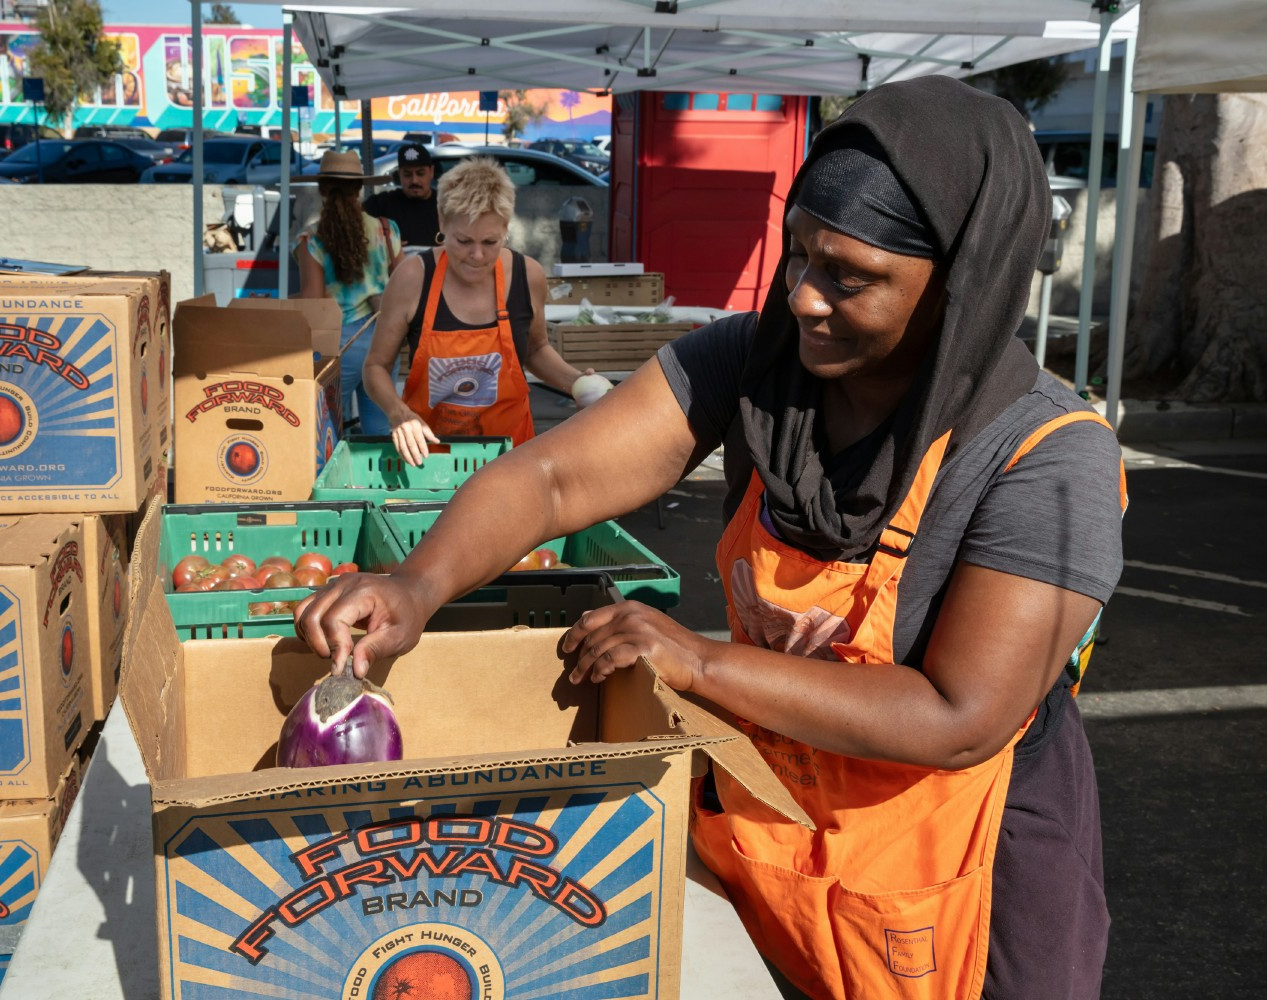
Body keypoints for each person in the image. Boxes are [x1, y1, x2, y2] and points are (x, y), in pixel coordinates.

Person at [298, 76, 1126, 1000]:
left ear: (961, 280)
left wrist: (702, 662)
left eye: (849, 276)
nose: (806, 298)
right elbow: (552, 476)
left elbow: (957, 716)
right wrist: (416, 585)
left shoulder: (1049, 456)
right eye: (798, 255)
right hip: (775, 821)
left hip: (964, 872)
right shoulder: (758, 360)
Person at [361, 157, 595, 463]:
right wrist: (398, 413)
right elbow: (375, 367)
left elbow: (536, 349)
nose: (477, 255)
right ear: (442, 223)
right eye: (462, 241)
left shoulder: (529, 276)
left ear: (506, 228)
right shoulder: (412, 278)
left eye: (490, 241)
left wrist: (577, 383)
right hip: (432, 457)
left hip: (512, 456)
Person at [296, 150, 403, 435]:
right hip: (384, 340)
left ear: (321, 189)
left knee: (326, 431)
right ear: (359, 189)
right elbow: (405, 285)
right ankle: (380, 482)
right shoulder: (386, 229)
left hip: (337, 343)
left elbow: (312, 303)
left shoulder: (312, 240)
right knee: (381, 429)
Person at [363, 142, 440, 247]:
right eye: (407, 175)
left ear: (431, 172)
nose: (414, 181)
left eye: (420, 173)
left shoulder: (445, 205)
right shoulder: (381, 204)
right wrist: (383, 245)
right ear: (399, 174)